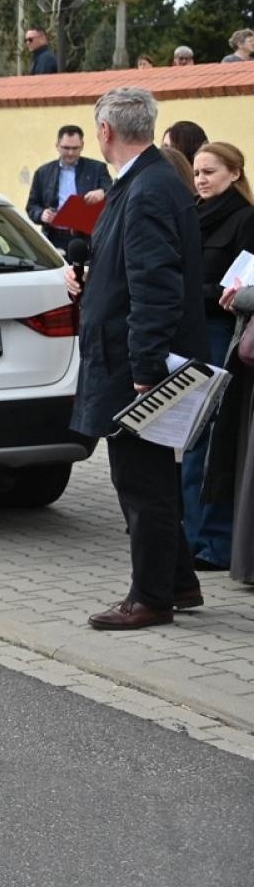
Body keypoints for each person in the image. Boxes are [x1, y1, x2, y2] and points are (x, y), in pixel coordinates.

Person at [66, 87, 207, 630]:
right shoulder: (149, 181)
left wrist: (146, 371)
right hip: (131, 358)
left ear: (104, 131)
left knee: (139, 482)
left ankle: (149, 598)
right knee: (150, 480)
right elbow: (130, 267)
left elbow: (155, 288)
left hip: (135, 367)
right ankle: (178, 580)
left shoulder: (146, 189)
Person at [183, 142, 254, 574]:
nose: (201, 179)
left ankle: (215, 542)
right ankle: (193, 537)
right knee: (190, 438)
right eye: (196, 172)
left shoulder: (245, 220)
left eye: (210, 171)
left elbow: (240, 287)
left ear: (234, 173)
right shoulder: (189, 216)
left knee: (213, 439)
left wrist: (197, 294)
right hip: (189, 334)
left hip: (221, 334)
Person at [25, 125, 112, 256]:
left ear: (82, 146)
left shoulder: (97, 169)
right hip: (54, 238)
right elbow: (32, 206)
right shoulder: (43, 173)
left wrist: (103, 193)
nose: (70, 153)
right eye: (66, 148)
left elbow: (115, 193)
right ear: (57, 146)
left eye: (75, 148)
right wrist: (41, 214)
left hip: (87, 239)